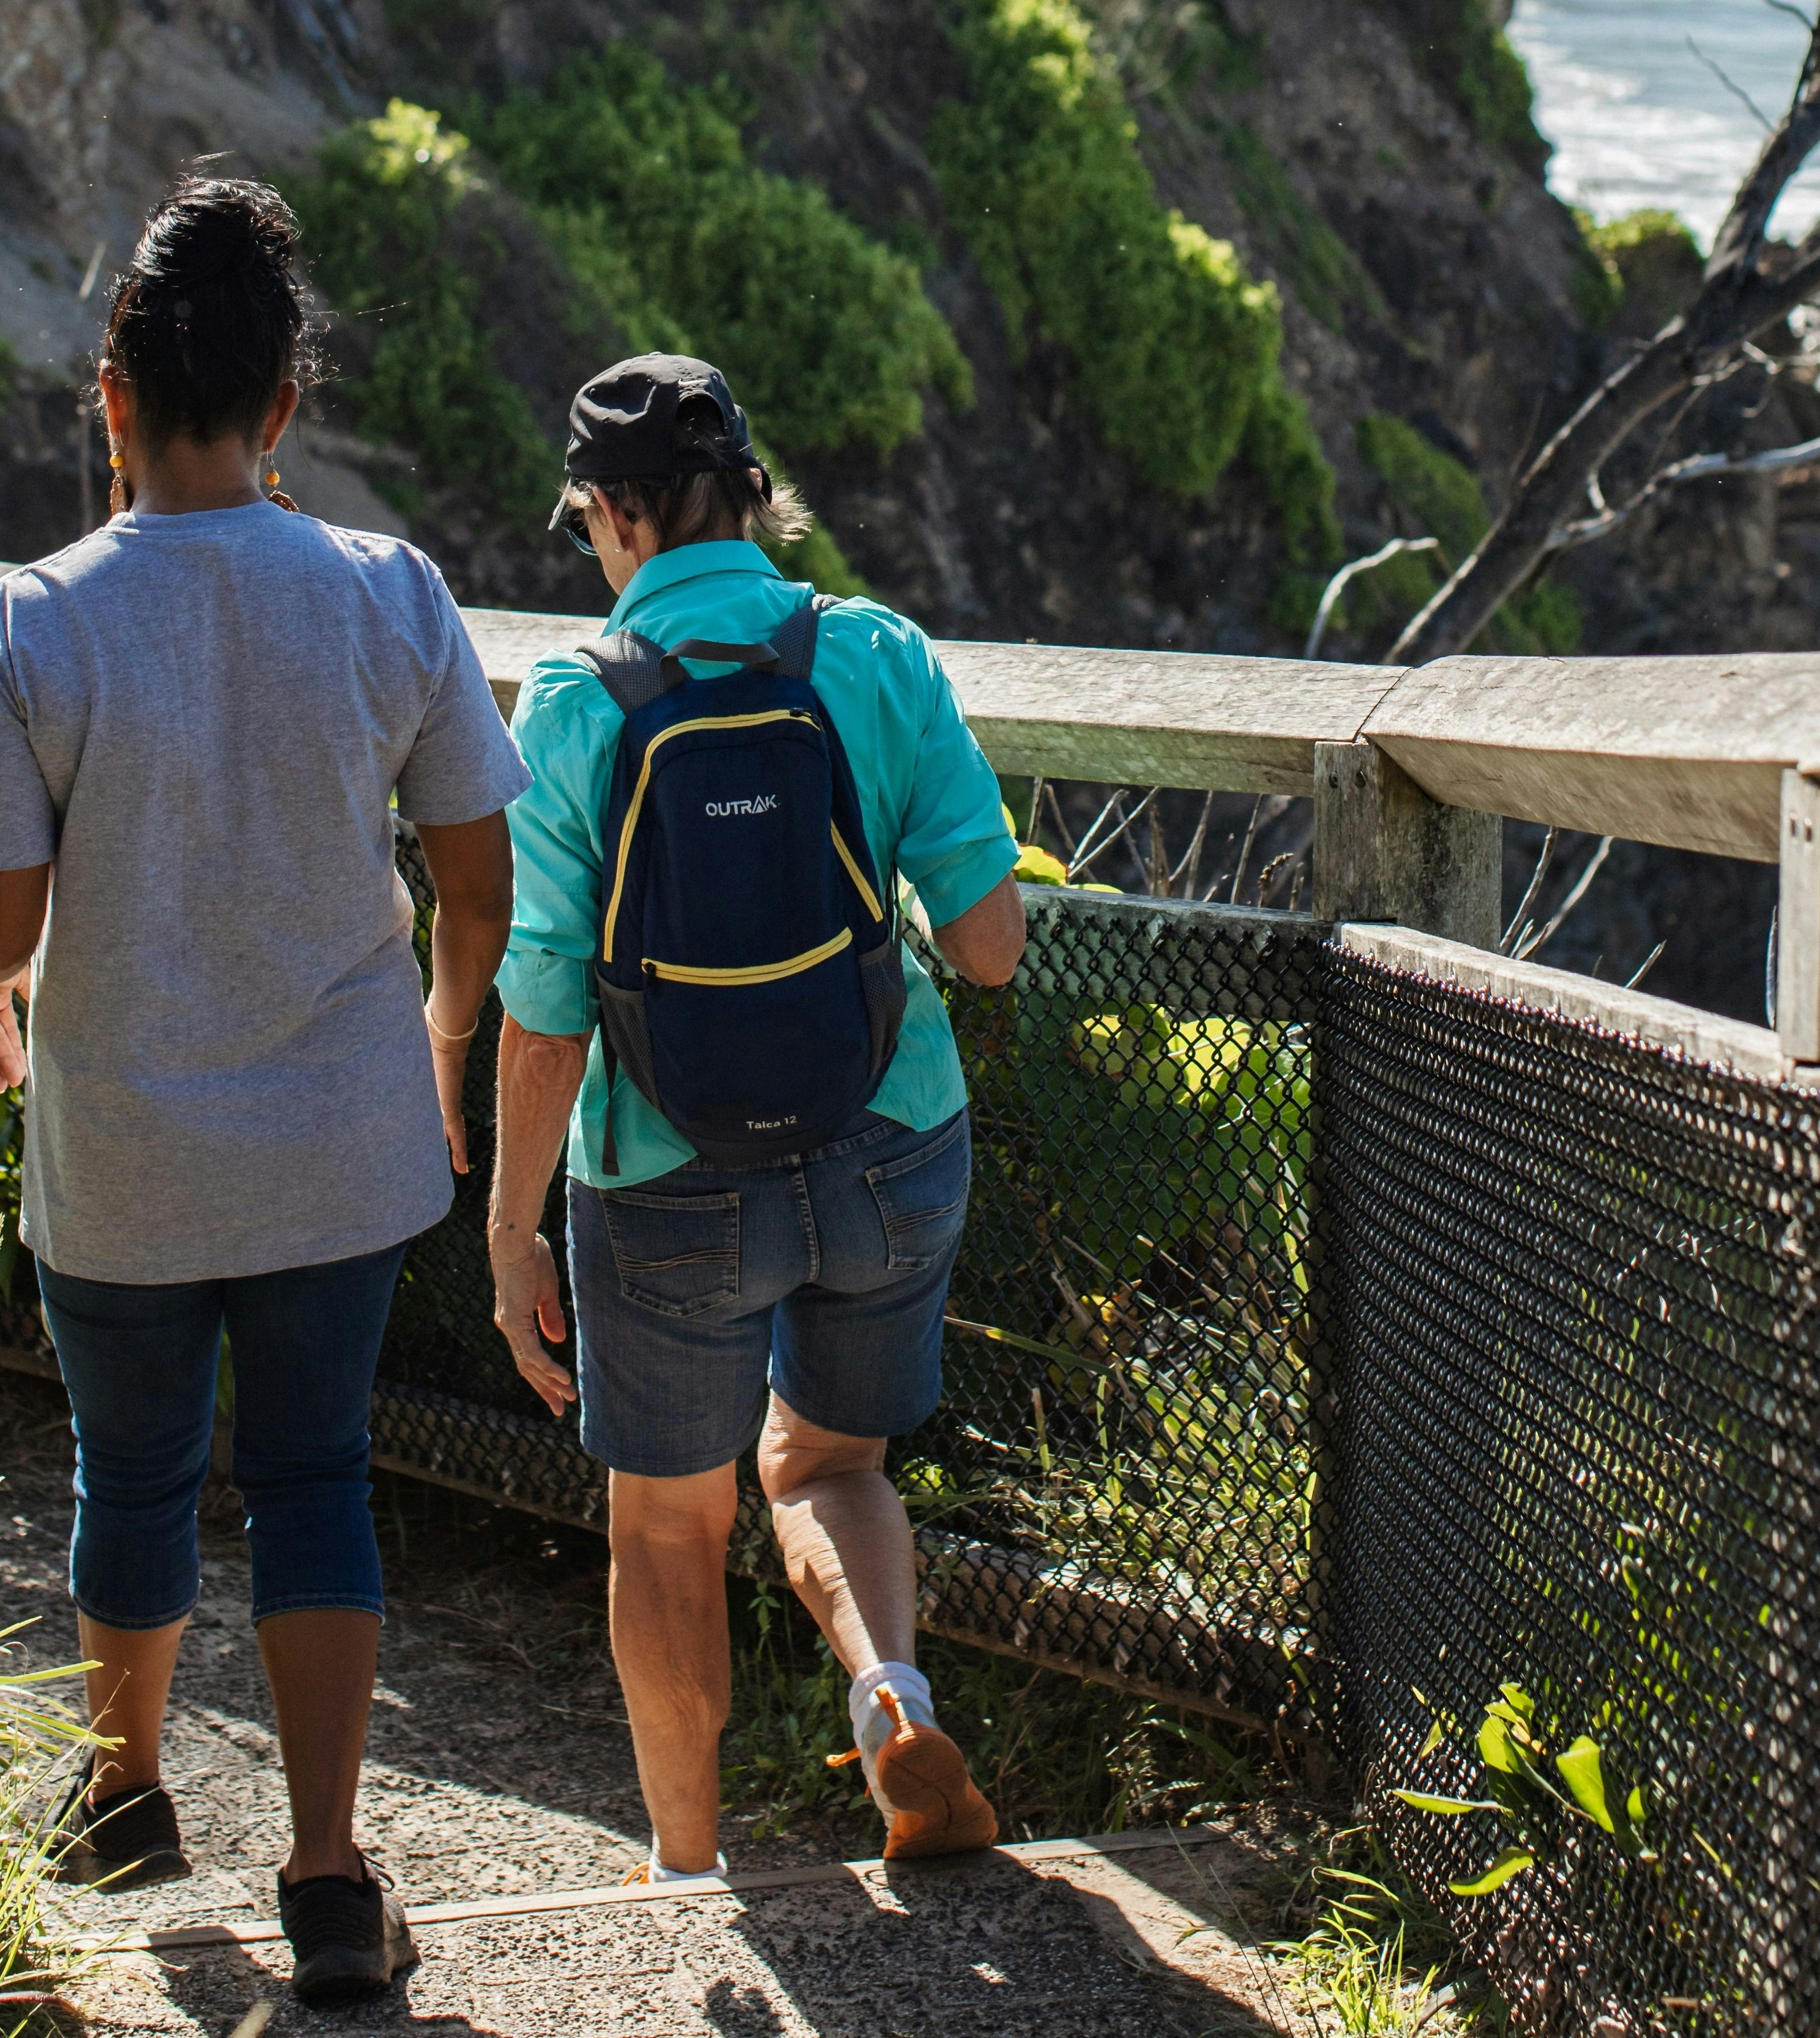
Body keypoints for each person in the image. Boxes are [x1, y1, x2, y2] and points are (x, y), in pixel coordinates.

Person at [0, 176, 525, 2003]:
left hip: (121, 1143)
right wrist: (435, 1044)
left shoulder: (32, 625)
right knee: (316, 1477)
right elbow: (479, 885)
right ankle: (332, 1879)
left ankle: (123, 1792)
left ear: (110, 399)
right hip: (341, 1140)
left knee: (132, 1464)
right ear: (286, 409)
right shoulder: (385, 593)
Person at [486, 354, 1027, 1882]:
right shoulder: (869, 653)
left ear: (604, 515)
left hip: (663, 1174)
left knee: (667, 1527)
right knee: (832, 1464)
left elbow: (547, 1010)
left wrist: (510, 1222)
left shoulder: (579, 703)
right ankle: (888, 1694)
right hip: (889, 1137)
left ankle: (683, 1874)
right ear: (752, 493)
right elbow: (989, 948)